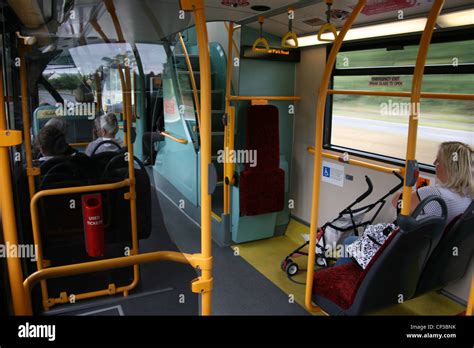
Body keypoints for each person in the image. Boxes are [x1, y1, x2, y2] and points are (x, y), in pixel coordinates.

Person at [336, 141, 473, 266]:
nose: (434, 163)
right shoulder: (467, 199)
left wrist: (410, 184)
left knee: (349, 243)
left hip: (404, 256)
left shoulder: (434, 194)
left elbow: (397, 201)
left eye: (438, 161)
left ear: (449, 167)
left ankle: (337, 285)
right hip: (426, 256)